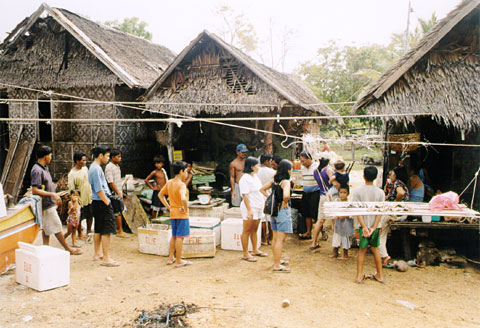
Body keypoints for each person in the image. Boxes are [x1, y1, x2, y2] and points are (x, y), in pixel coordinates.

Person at [31, 146, 82, 255]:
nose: (51, 157)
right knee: (57, 226)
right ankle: (68, 249)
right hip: (45, 204)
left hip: (49, 202)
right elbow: (35, 190)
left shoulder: (44, 168)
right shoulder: (36, 170)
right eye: (50, 155)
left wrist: (54, 195)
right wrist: (52, 194)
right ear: (45, 157)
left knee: (46, 228)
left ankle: (45, 248)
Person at [353, 166, 385, 283]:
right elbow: (380, 212)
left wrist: (365, 227)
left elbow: (357, 211)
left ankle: (359, 275)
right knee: (376, 249)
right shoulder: (380, 192)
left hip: (363, 226)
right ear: (375, 177)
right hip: (375, 226)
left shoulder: (357, 191)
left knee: (362, 250)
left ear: (363, 176)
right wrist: (373, 228)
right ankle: (380, 275)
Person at [88, 145, 119, 267]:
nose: (107, 158)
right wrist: (107, 202)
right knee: (107, 230)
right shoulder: (96, 169)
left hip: (97, 202)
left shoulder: (94, 167)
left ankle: (97, 253)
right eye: (106, 156)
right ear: (100, 156)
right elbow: (99, 189)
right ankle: (106, 258)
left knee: (98, 228)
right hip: (101, 201)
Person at [261, 159, 293, 272]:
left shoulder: (274, 181)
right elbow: (286, 195)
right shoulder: (285, 182)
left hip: (273, 212)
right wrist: (285, 202)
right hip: (282, 212)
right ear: (288, 170)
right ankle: (277, 265)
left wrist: (270, 198)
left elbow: (262, 189)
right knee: (280, 240)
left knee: (274, 238)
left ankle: (277, 260)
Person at [159, 161, 192, 268]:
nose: (187, 174)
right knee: (180, 237)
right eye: (186, 171)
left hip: (173, 213)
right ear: (181, 171)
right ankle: (179, 260)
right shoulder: (181, 185)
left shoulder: (169, 182)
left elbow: (161, 195)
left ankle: (171, 257)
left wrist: (169, 207)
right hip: (181, 214)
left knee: (174, 236)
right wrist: (185, 208)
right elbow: (183, 198)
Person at [239, 157, 268, 262]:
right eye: (257, 165)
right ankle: (245, 253)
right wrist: (249, 210)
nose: (258, 167)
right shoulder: (244, 178)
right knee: (246, 230)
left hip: (258, 206)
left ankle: (255, 249)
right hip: (250, 207)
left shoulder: (255, 177)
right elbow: (245, 196)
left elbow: (259, 190)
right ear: (252, 166)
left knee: (255, 229)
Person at [67, 152, 93, 240]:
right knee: (79, 217)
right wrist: (75, 201)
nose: (85, 162)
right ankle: (80, 234)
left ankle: (89, 231)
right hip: (80, 199)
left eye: (85, 160)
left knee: (90, 214)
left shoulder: (85, 168)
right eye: (83, 160)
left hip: (88, 196)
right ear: (77, 161)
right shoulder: (72, 174)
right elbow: (71, 189)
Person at [309, 157, 333, 249]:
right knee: (334, 220)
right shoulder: (328, 170)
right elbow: (332, 182)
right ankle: (336, 245)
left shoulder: (315, 171)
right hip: (329, 196)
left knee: (320, 220)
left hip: (322, 195)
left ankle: (314, 242)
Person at [105, 149, 128, 238]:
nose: (120, 158)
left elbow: (117, 181)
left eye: (120, 156)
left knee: (118, 211)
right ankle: (119, 231)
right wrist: (118, 193)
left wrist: (121, 192)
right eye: (118, 157)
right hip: (114, 192)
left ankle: (117, 229)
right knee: (117, 211)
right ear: (113, 157)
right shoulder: (109, 167)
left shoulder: (117, 166)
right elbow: (110, 182)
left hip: (118, 191)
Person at [298, 151, 320, 240]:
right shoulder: (302, 169)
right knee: (306, 213)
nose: (302, 163)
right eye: (301, 161)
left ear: (309, 159)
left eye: (303, 161)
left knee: (316, 214)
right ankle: (308, 232)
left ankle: (321, 232)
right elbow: (301, 180)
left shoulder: (316, 167)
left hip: (315, 193)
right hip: (306, 193)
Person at [329, 185, 354, 260]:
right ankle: (335, 252)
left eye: (344, 192)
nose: (342, 194)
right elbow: (333, 210)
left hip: (346, 224)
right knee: (336, 237)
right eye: (341, 192)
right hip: (338, 223)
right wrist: (336, 216)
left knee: (345, 238)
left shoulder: (349, 203)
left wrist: (343, 216)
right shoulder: (336, 201)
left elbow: (351, 214)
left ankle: (345, 254)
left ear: (348, 193)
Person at [257, 153, 275, 245]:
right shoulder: (272, 172)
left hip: (259, 195)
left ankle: (263, 239)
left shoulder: (256, 170)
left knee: (262, 218)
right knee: (270, 217)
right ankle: (271, 238)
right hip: (268, 195)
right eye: (270, 161)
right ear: (266, 161)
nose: (271, 163)